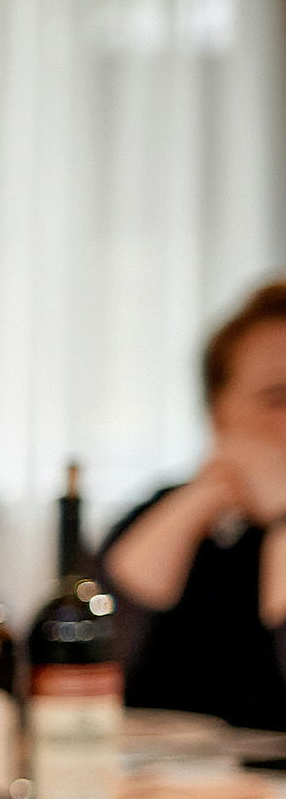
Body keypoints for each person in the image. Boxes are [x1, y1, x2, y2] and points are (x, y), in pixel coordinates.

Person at [100, 278, 286, 732]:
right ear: (218, 413)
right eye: (277, 399)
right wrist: (204, 497)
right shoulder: (157, 514)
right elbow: (83, 669)